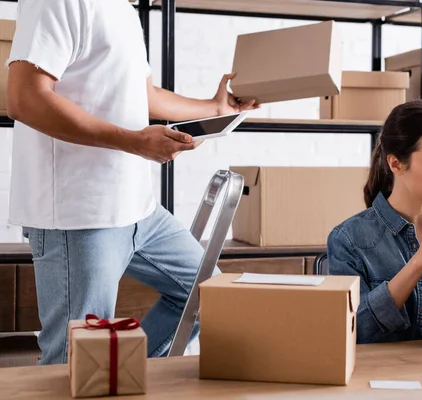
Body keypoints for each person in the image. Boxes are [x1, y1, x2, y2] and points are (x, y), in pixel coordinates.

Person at [5, 0, 258, 365]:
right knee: (75, 362)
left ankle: (120, 376)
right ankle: (104, 378)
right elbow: (24, 98)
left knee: (208, 297)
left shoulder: (122, 7)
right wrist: (134, 141)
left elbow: (146, 95)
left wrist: (215, 109)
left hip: (138, 209)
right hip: (80, 215)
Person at [326, 100, 422, 344]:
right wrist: (419, 262)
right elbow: (352, 333)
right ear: (395, 163)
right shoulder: (349, 239)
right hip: (392, 374)